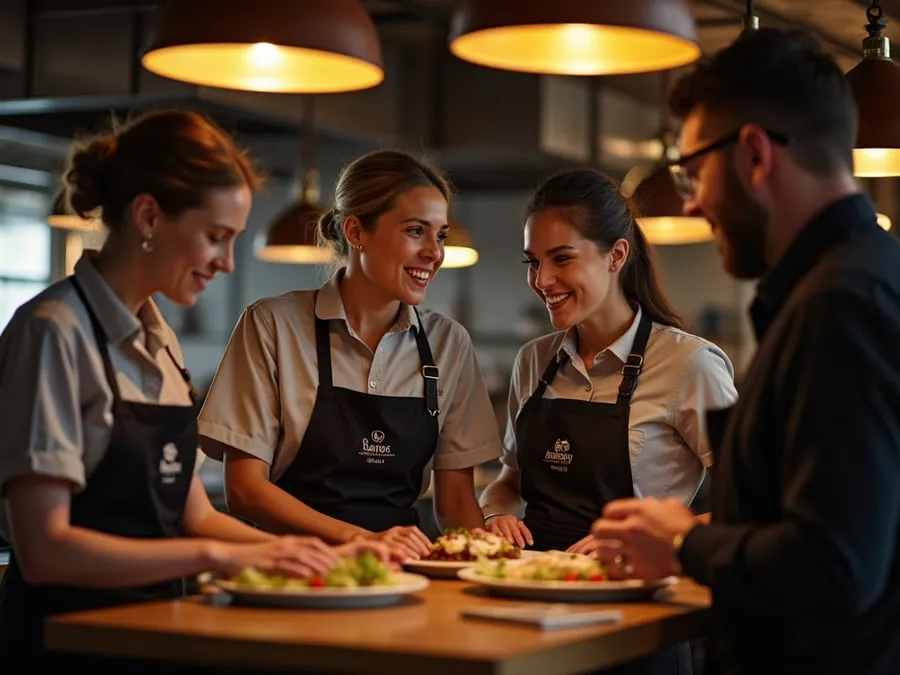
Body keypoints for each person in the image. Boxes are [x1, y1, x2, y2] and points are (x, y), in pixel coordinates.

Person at [0, 110, 385, 667]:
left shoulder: (160, 341)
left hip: (153, 635)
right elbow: (44, 550)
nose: (227, 264)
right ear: (149, 216)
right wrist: (209, 557)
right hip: (61, 645)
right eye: (215, 237)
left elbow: (194, 515)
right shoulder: (53, 333)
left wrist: (308, 552)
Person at [591, 28, 900, 675]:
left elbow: (834, 565)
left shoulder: (836, 306)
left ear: (755, 155)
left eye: (693, 169)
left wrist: (682, 541)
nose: (693, 199)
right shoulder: (868, 275)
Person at [197, 150, 502, 560]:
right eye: (416, 231)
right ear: (356, 231)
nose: (435, 252)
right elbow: (245, 490)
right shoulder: (272, 325)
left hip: (400, 576)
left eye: (441, 235)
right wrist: (361, 541)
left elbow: (456, 504)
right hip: (294, 571)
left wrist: (489, 545)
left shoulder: (449, 343)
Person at [480, 168, 736, 555]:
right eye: (532, 262)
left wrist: (649, 541)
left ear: (616, 255)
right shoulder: (533, 360)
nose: (542, 279)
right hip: (529, 580)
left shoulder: (689, 363)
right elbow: (509, 481)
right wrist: (493, 514)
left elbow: (752, 505)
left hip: (628, 590)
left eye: (561, 259)